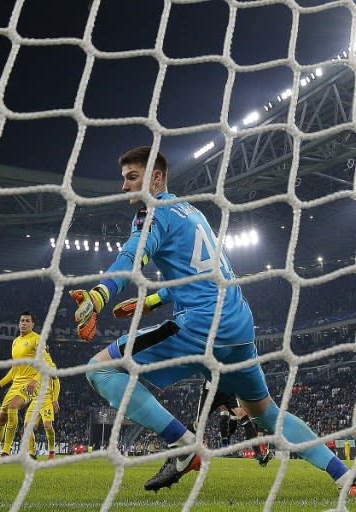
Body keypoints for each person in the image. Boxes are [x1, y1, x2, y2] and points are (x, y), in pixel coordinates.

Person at [71, 146, 355, 495]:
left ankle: (184, 446)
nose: (125, 186)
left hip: (201, 328)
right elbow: (207, 277)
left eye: (132, 177)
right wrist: (153, 300)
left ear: (156, 177)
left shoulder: (154, 214)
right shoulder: (193, 214)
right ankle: (346, 476)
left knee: (99, 369)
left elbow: (131, 258)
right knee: (267, 414)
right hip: (237, 327)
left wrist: (98, 294)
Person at [114, 289, 273, 466]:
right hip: (211, 387)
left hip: (227, 387)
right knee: (200, 423)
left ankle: (255, 453)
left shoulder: (231, 334)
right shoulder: (210, 335)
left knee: (242, 415)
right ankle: (182, 450)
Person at [0, 311, 53, 460]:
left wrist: (35, 380)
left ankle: (6, 451)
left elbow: (47, 363)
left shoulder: (38, 340)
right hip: (15, 385)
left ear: (33, 324)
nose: (23, 323)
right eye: (22, 321)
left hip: (31, 384)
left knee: (13, 407)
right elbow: (14, 369)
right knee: (0, 420)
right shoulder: (16, 341)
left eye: (27, 321)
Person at [23, 346, 60, 461]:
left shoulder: (51, 365)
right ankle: (32, 453)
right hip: (35, 401)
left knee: (47, 426)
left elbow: (56, 383)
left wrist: (55, 399)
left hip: (47, 400)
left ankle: (52, 452)